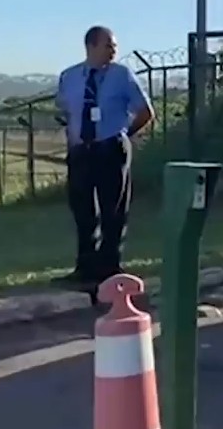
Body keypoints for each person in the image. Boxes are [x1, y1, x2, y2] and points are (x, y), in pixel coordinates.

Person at [54, 26, 155, 288]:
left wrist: (124, 134)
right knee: (82, 209)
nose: (113, 51)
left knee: (113, 209)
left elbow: (145, 112)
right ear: (91, 46)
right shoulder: (70, 77)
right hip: (80, 150)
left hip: (110, 148)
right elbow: (67, 111)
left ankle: (109, 267)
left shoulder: (122, 76)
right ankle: (85, 267)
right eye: (108, 45)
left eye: (114, 46)